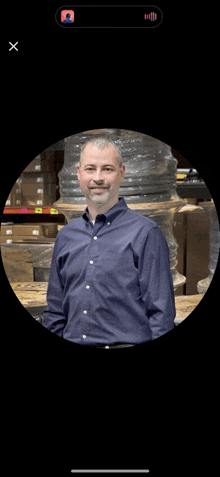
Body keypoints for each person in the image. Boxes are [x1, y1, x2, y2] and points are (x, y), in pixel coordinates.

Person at [43, 137, 176, 348]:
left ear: (121, 173)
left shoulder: (146, 233)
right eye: (90, 168)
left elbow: (162, 315)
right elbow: (55, 311)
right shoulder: (66, 236)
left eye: (107, 169)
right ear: (78, 173)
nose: (98, 178)